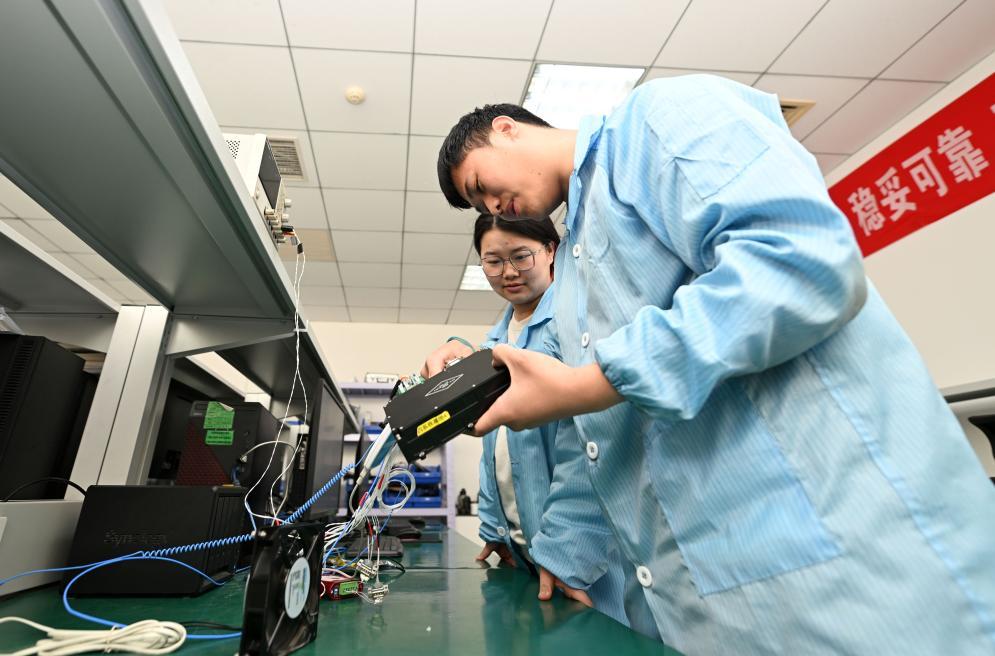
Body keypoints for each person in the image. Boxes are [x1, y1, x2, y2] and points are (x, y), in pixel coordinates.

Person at [428, 75, 995, 654]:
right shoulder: (574, 263)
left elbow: (798, 260)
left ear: (506, 129)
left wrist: (592, 382)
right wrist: (472, 367)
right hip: (701, 593)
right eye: (478, 206)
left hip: (842, 553)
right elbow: (598, 429)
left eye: (480, 186)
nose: (491, 206)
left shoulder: (655, 120)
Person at [458, 213, 654, 636]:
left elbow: (594, 444)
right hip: (525, 553)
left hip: (583, 560)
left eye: (521, 256)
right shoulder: (496, 341)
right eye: (493, 261)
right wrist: (494, 525)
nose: (508, 272)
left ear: (552, 251)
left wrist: (568, 554)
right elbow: (496, 447)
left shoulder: (576, 327)